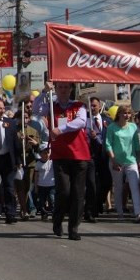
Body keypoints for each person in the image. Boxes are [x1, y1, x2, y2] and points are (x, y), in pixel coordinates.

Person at [36, 81, 92, 241]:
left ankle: (73, 227)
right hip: (60, 155)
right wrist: (44, 92)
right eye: (60, 87)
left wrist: (60, 129)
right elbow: (36, 110)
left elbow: (81, 122)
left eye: (66, 87)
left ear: (71, 89)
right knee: (64, 191)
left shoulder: (79, 106)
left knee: (78, 193)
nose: (63, 90)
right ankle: (58, 219)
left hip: (79, 155)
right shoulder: (52, 106)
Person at [104, 106, 140, 221]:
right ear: (119, 114)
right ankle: (119, 212)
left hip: (131, 160)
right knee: (118, 186)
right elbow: (108, 145)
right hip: (116, 161)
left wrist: (139, 161)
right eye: (124, 113)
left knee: (134, 185)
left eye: (128, 113)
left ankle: (138, 213)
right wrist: (113, 160)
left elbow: (136, 145)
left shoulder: (133, 127)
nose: (127, 115)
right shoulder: (112, 127)